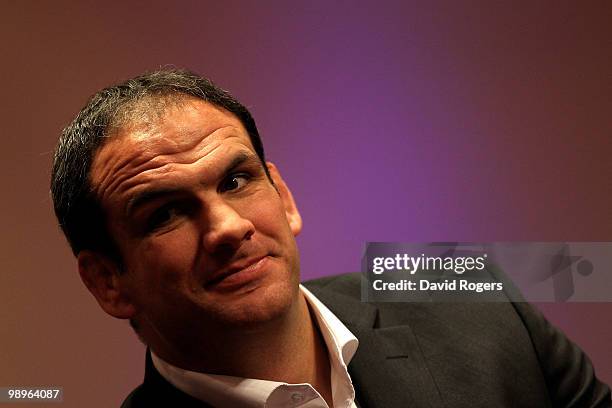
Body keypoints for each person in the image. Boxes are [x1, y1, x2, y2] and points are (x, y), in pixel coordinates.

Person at [51, 69, 611, 408]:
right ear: (108, 281)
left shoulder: (465, 292)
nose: (227, 227)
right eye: (166, 213)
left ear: (284, 198)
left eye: (237, 180)